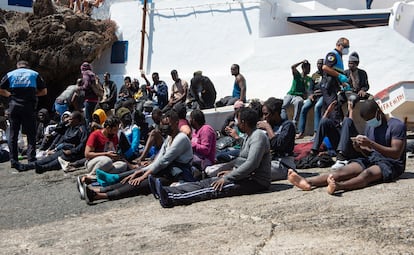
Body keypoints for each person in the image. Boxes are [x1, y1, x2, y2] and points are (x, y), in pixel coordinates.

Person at [148, 107, 271, 208]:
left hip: (254, 182)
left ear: (243, 122)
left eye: (238, 120)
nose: (237, 123)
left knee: (212, 189)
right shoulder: (250, 136)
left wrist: (228, 177)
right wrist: (231, 171)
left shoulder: (258, 136)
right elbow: (244, 162)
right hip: (244, 177)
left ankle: (170, 198)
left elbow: (252, 164)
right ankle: (166, 190)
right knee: (204, 183)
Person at [288, 99, 406, 195]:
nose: (369, 122)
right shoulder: (370, 126)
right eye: (367, 120)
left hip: (391, 164)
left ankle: (339, 186)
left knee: (367, 174)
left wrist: (371, 144)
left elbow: (395, 153)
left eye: (370, 119)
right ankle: (307, 181)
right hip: (374, 158)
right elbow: (370, 152)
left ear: (378, 112)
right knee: (342, 172)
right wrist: (360, 148)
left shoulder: (396, 125)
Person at [82, 110, 195, 204]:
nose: (165, 127)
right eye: (163, 124)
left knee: (141, 182)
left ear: (176, 123)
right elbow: (159, 159)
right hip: (167, 171)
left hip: (178, 175)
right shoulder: (169, 138)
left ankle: (100, 195)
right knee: (134, 175)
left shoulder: (181, 138)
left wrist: (144, 174)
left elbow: (164, 161)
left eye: (168, 124)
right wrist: (140, 171)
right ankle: (99, 189)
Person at [0, 60, 47, 168]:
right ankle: (31, 159)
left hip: (14, 107)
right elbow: (44, 91)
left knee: (13, 134)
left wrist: (9, 95)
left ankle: (13, 160)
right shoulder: (34, 74)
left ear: (17, 67)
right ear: (28, 67)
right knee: (31, 133)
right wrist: (34, 95)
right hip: (28, 107)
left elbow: (1, 89)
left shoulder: (10, 74)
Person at [15, 111, 88, 173]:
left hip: (73, 153)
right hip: (63, 150)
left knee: (55, 162)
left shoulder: (82, 130)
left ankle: (42, 168)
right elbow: (57, 129)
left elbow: (82, 145)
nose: (69, 120)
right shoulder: (69, 127)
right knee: (46, 160)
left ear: (77, 120)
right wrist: (64, 122)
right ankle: (25, 166)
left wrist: (71, 151)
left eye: (71, 119)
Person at [257, 97, 296, 180]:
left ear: (275, 113)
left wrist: (268, 128)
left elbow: (278, 144)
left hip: (284, 165)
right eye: (263, 114)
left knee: (256, 173)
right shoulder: (270, 126)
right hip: (270, 162)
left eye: (266, 114)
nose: (264, 118)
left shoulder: (287, 125)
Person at [319, 37, 350, 129]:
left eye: (348, 46)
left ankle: (322, 132)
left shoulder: (339, 57)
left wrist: (343, 83)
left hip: (332, 85)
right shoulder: (333, 54)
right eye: (345, 46)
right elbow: (325, 67)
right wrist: (339, 76)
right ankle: (338, 131)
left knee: (326, 110)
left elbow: (335, 72)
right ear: (338, 45)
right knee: (334, 108)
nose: (346, 49)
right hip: (328, 86)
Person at [296, 58, 324, 139]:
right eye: (318, 63)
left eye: (321, 63)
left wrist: (322, 91)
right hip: (314, 96)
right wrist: (311, 94)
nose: (320, 65)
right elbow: (310, 88)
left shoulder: (327, 74)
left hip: (323, 96)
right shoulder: (315, 75)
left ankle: (316, 132)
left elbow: (330, 87)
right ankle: (301, 132)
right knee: (304, 108)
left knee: (317, 107)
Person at [281, 60, 312, 127]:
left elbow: (308, 89)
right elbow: (292, 67)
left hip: (298, 96)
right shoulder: (297, 75)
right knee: (284, 105)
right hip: (291, 94)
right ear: (303, 68)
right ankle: (284, 122)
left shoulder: (309, 79)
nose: (309, 70)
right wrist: (301, 62)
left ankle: (294, 124)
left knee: (299, 102)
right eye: (308, 68)